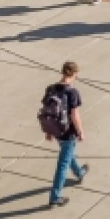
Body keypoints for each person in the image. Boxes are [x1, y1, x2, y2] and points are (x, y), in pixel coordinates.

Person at [41, 62, 88, 208]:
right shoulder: (72, 92)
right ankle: (55, 197)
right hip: (68, 132)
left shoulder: (51, 89)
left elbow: (47, 111)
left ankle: (79, 172)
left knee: (68, 153)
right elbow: (74, 115)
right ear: (74, 74)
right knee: (63, 164)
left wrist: (48, 131)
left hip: (56, 130)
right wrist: (80, 131)